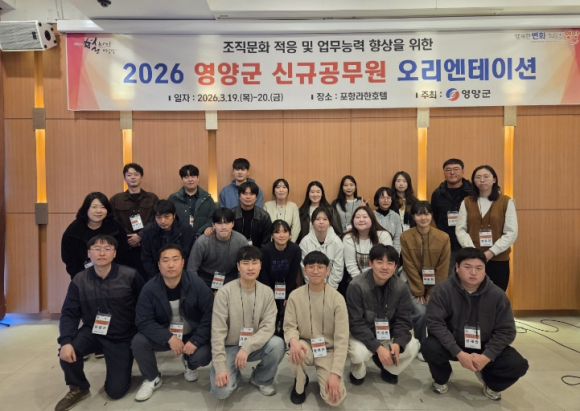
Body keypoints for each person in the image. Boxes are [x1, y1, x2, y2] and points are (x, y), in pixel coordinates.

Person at [422, 247, 528, 401]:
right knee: (429, 346)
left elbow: (507, 331)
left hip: (484, 344)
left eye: (479, 268)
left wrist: (486, 357)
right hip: (453, 342)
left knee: (518, 364)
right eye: (468, 267)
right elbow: (435, 323)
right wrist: (459, 353)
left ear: (485, 270)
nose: (473, 272)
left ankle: (490, 381)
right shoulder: (443, 290)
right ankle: (442, 377)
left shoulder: (497, 295)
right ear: (457, 267)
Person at [55, 235, 144, 411]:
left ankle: (123, 367)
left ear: (114, 253)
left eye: (107, 249)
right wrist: (65, 341)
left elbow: (144, 305)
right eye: (97, 249)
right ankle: (78, 388)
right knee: (67, 350)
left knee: (115, 391)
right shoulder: (79, 280)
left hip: (122, 335)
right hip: (93, 331)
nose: (102, 253)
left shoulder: (130, 275)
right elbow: (69, 313)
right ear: (89, 253)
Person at [132, 244, 214, 402]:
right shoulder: (149, 288)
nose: (170, 265)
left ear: (183, 262)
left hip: (191, 334)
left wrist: (196, 340)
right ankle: (152, 378)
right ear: (159, 264)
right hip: (165, 335)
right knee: (139, 341)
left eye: (175, 259)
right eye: (165, 260)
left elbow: (210, 314)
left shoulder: (196, 284)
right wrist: (169, 338)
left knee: (202, 355)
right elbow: (143, 321)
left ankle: (190, 364)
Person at [210, 246, 285, 399]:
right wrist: (220, 367)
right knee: (221, 392)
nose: (250, 268)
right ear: (238, 266)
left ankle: (261, 378)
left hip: (255, 345)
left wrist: (246, 347)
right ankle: (234, 373)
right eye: (245, 263)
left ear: (260, 265)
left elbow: (268, 327)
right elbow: (217, 332)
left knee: (278, 344)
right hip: (229, 347)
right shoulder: (224, 293)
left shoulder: (267, 292)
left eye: (254, 262)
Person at [347, 244, 420, 386]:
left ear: (395, 266)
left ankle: (389, 369)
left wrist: (398, 343)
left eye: (390, 263)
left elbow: (403, 320)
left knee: (413, 346)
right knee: (358, 353)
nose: (385, 267)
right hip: (362, 335)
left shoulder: (401, 287)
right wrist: (378, 348)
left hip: (388, 334)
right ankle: (357, 372)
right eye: (379, 262)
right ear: (370, 263)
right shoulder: (356, 286)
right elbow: (355, 323)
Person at [283, 251, 349, 406]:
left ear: (327, 271)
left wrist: (335, 373)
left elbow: (342, 339)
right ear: (305, 270)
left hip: (328, 349)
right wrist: (293, 341)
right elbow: (289, 326)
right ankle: (300, 383)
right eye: (311, 267)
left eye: (320, 267)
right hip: (305, 345)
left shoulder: (337, 299)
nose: (315, 270)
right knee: (293, 353)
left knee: (334, 400)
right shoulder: (295, 296)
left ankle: (328, 376)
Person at [455, 165, 517, 291]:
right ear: (474, 181)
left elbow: (511, 232)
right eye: (478, 177)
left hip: (498, 258)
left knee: (496, 294)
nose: (482, 180)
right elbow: (460, 229)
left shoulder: (506, 201)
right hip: (472, 259)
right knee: (471, 293)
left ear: (494, 179)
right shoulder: (467, 202)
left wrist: (490, 252)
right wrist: (474, 252)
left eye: (486, 176)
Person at [400, 201, 450, 346]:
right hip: (411, 281)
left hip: (436, 285)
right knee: (421, 313)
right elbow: (408, 265)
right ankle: (421, 345)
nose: (423, 218)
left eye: (426, 214)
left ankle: (435, 346)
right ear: (413, 217)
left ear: (431, 215)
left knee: (437, 313)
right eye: (419, 214)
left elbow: (442, 268)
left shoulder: (443, 237)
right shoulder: (405, 237)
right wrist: (419, 291)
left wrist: (431, 292)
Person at [61, 192, 130, 279]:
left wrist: (111, 273)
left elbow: (122, 254)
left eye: (103, 207)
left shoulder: (116, 228)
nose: (99, 211)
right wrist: (83, 276)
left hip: (113, 277)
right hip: (82, 277)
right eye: (94, 207)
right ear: (86, 208)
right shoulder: (73, 230)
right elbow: (69, 259)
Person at [109, 163, 159, 281]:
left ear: (141, 177)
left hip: (146, 247)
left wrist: (140, 235)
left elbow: (155, 219)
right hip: (124, 248)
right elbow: (112, 221)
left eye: (136, 174)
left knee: (147, 279)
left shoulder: (152, 198)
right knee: (125, 280)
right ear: (124, 178)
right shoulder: (116, 199)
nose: (133, 177)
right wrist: (129, 237)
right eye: (129, 175)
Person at [258, 220, 302, 338]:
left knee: (286, 309)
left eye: (285, 231)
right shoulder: (265, 250)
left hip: (287, 287)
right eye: (277, 232)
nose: (281, 235)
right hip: (269, 287)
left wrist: (288, 294)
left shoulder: (295, 249)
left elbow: (293, 274)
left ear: (290, 234)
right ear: (272, 235)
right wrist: (269, 294)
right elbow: (263, 275)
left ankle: (284, 334)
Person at [430, 159, 472, 277]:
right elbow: (436, 216)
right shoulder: (437, 193)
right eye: (448, 170)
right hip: (447, 244)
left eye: (455, 169)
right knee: (448, 278)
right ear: (444, 172)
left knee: (469, 277)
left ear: (463, 171)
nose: (452, 172)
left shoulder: (473, 192)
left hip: (469, 243)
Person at [187, 208, 247, 289]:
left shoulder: (241, 241)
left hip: (229, 278)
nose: (223, 227)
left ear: (233, 224)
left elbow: (244, 266)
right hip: (204, 279)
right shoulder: (203, 241)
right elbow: (192, 268)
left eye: (227, 223)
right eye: (219, 223)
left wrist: (239, 287)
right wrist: (198, 287)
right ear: (213, 225)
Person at [140, 200, 195, 280]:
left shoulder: (186, 229)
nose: (162, 221)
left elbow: (187, 256)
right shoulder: (148, 231)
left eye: (166, 217)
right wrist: (158, 278)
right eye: (159, 217)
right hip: (156, 274)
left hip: (181, 273)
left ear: (174, 215)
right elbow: (147, 258)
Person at [343, 205, 393, 280]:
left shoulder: (383, 236)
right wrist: (362, 283)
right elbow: (351, 266)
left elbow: (388, 261)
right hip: (358, 280)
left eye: (365, 217)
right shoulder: (348, 238)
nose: (361, 220)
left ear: (372, 219)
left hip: (383, 277)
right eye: (357, 217)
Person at [299, 207, 344, 289]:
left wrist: (329, 289)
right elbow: (304, 268)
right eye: (317, 219)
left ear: (330, 222)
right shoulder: (305, 242)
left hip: (332, 287)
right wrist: (315, 286)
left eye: (325, 219)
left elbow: (338, 269)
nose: (321, 222)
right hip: (311, 287)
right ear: (312, 222)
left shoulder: (337, 242)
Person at [168, 164, 218, 237]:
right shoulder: (173, 199)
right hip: (179, 238)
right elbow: (168, 219)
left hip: (202, 237)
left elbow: (212, 218)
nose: (190, 179)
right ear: (182, 179)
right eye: (186, 177)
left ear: (198, 178)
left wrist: (201, 232)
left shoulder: (207, 198)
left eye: (193, 176)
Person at [232, 181, 272, 248]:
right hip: (235, 252)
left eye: (251, 194)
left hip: (257, 252)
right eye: (245, 193)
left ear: (256, 197)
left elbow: (266, 242)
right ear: (239, 196)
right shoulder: (231, 214)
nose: (248, 197)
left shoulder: (264, 216)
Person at [373, 187, 403, 254]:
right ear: (377, 199)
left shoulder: (396, 216)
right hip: (375, 251)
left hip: (391, 252)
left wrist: (395, 254)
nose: (386, 200)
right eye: (382, 198)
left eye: (388, 198)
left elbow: (397, 238)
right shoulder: (372, 216)